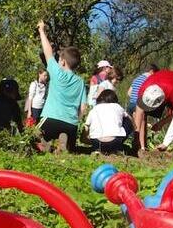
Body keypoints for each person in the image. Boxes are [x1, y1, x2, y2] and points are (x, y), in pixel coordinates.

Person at [36, 20, 87, 153]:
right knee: (67, 137)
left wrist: (41, 30)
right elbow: (83, 108)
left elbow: (48, 51)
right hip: (71, 124)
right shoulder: (80, 82)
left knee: (33, 138)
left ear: (63, 62)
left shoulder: (57, 72)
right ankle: (63, 138)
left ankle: (45, 144)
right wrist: (76, 122)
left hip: (51, 119)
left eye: (59, 60)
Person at [132, 68, 173, 153]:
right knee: (143, 115)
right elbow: (139, 113)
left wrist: (161, 123)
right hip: (159, 82)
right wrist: (136, 137)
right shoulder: (144, 89)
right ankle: (142, 148)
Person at [85, 89, 132, 154]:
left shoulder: (95, 108)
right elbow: (130, 119)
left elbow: (86, 125)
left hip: (97, 142)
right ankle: (117, 147)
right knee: (127, 120)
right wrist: (135, 128)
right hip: (115, 141)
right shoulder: (117, 106)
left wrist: (86, 137)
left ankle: (97, 150)